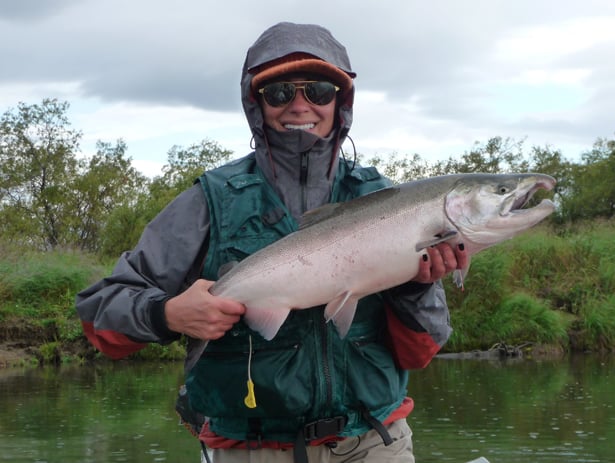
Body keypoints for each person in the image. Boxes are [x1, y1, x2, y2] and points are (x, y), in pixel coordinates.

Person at [76, 22, 468, 463]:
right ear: (255, 103)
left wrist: (414, 288)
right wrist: (167, 315)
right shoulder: (211, 200)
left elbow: (420, 353)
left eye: (318, 90)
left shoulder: (384, 200)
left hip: (374, 442)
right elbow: (102, 323)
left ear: (341, 101)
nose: (300, 105)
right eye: (279, 92)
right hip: (248, 450)